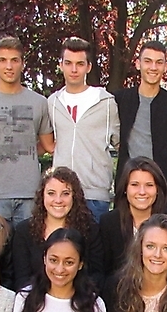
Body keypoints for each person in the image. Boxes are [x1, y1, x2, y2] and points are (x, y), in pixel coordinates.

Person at [0, 36, 54, 224]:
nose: (9, 66)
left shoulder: (39, 102)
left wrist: (22, 148)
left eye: (14, 60)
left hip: (30, 192)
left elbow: (48, 145)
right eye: (3, 60)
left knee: (28, 242)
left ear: (22, 64)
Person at [46, 37, 120, 221]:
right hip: (61, 194)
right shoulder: (52, 102)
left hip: (95, 195)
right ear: (61, 65)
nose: (74, 69)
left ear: (89, 67)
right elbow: (49, 141)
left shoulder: (106, 102)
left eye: (80, 64)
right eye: (68, 63)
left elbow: (119, 143)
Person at [114, 40, 167, 203]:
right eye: (148, 61)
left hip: (164, 190)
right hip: (128, 189)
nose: (153, 67)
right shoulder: (120, 100)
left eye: (159, 62)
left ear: (165, 66)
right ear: (138, 64)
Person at [12, 166, 103, 291]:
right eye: (51, 193)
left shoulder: (90, 230)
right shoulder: (24, 231)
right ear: (42, 196)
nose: (58, 200)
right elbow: (22, 280)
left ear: (75, 196)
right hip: (35, 299)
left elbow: (97, 276)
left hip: (80, 298)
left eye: (65, 194)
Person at [99, 157, 167, 276]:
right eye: (135, 184)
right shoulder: (109, 222)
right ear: (125, 188)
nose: (142, 192)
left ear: (157, 189)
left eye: (149, 185)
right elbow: (103, 273)